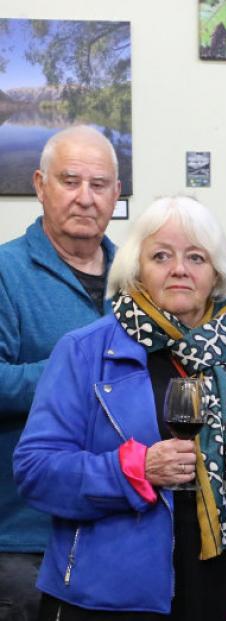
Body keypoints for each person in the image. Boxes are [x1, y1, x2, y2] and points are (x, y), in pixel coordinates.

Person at [13, 196, 226, 619]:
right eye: (161, 255)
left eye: (195, 256)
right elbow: (36, 470)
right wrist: (136, 470)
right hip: (113, 594)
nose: (179, 268)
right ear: (136, 268)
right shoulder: (85, 350)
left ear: (216, 272)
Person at [0, 125, 120, 620]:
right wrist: (76, 377)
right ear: (40, 184)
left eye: (99, 185)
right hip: (26, 539)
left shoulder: (136, 279)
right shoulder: (6, 271)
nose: (85, 198)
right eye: (70, 181)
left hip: (118, 533)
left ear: (116, 193)